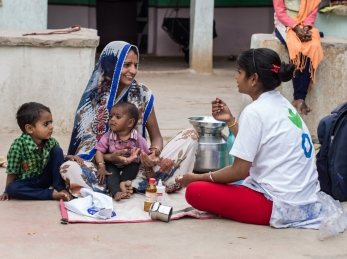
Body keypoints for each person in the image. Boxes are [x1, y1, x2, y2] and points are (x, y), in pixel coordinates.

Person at [176, 48, 346, 230]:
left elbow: (239, 171)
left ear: (254, 79)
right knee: (234, 174)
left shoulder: (254, 111)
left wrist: (196, 178)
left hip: (279, 205)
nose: (235, 77)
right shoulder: (282, 104)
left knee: (196, 191)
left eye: (239, 72)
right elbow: (251, 148)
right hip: (305, 199)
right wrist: (231, 121)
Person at [60, 41, 198, 198]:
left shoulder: (142, 94)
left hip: (139, 166)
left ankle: (129, 185)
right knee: (69, 168)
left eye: (135, 65)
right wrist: (109, 158)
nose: (133, 71)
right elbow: (86, 148)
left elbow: (157, 136)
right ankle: (127, 186)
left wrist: (153, 154)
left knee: (190, 137)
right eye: (126, 65)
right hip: (104, 167)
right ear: (111, 66)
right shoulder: (94, 98)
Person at [0, 102, 75, 201]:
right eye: (46, 124)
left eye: (51, 122)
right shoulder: (17, 146)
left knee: (57, 150)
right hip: (27, 182)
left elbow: (56, 159)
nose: (51, 126)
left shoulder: (51, 142)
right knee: (11, 188)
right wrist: (7, 191)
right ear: (30, 128)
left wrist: (67, 157)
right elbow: (12, 172)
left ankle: (60, 187)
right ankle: (51, 194)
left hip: (45, 178)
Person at [273, 0, 324, 115]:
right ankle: (300, 97)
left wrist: (306, 28)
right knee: (296, 48)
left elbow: (312, 9)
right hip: (285, 26)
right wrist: (296, 28)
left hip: (305, 27)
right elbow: (280, 13)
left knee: (313, 47)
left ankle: (298, 99)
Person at [95, 102, 151, 201]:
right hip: (113, 163)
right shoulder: (108, 136)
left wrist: (148, 168)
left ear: (130, 123)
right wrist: (101, 166)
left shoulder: (139, 139)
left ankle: (123, 183)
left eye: (118, 117)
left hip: (130, 165)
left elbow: (146, 155)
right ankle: (116, 192)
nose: (112, 119)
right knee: (111, 174)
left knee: (133, 168)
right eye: (111, 116)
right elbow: (99, 151)